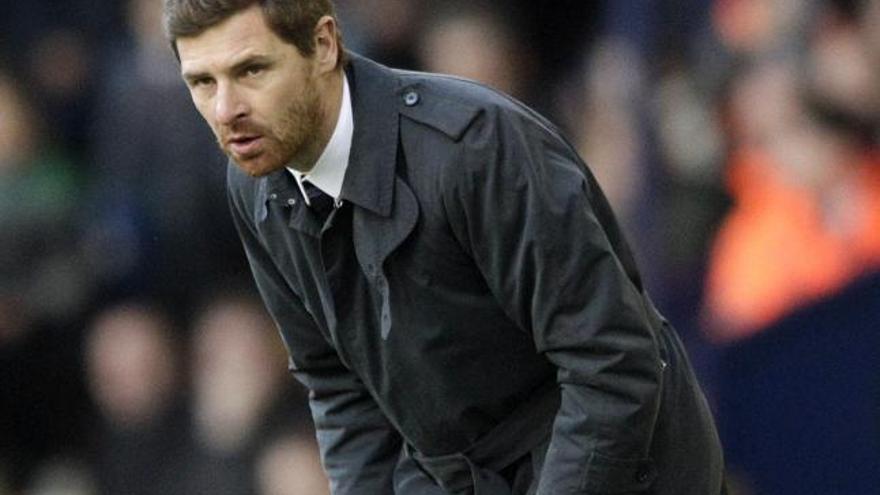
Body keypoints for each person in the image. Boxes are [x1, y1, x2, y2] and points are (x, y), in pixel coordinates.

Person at [163, 1, 726, 493]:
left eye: (252, 69)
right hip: (455, 472)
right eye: (202, 82)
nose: (225, 110)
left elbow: (612, 364)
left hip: (623, 464)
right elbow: (340, 387)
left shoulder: (475, 148)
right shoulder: (256, 182)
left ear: (324, 45)